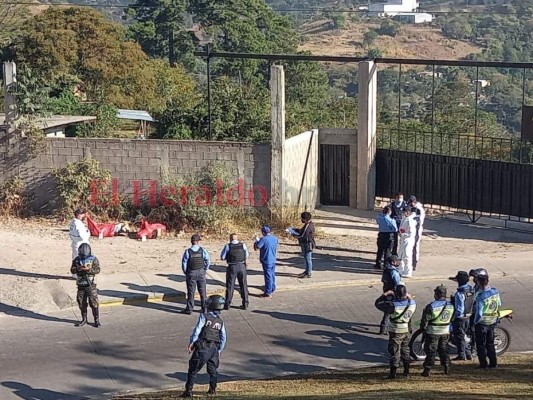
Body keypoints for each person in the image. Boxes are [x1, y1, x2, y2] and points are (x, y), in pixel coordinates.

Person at [179, 294, 227, 398]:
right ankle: (212, 389)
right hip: (214, 349)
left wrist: (192, 342)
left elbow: (197, 330)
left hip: (203, 347)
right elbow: (223, 337)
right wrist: (219, 350)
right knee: (213, 370)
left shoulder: (204, 316)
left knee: (193, 369)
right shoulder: (220, 322)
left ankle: (188, 391)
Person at [375, 284, 417, 379]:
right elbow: (410, 300)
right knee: (405, 350)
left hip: (396, 330)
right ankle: (406, 372)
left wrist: (384, 295)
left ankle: (393, 373)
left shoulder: (393, 305)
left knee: (395, 351)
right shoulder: (412, 303)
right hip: (407, 329)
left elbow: (378, 304)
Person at [420, 285, 455, 377]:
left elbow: (425, 321)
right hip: (445, 331)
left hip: (433, 332)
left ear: (436, 294)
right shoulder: (451, 306)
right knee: (443, 350)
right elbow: (452, 318)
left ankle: (427, 369)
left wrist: (423, 329)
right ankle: (447, 366)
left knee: (431, 351)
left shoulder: (431, 306)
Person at [473, 269, 501, 369]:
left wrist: (475, 322)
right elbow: (499, 304)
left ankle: (483, 364)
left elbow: (479, 313)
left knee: (481, 345)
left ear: (479, 282)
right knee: (490, 343)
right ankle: (493, 363)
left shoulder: (481, 297)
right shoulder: (495, 292)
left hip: (482, 323)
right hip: (492, 321)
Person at [70, 243, 101, 327]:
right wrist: (78, 268)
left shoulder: (93, 259)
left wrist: (89, 270)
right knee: (81, 303)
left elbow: (97, 270)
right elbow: (72, 270)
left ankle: (96, 320)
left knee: (94, 302)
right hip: (81, 285)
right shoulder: (76, 260)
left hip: (91, 285)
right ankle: (84, 319)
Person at [181, 234, 211, 314]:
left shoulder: (188, 251)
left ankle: (189, 309)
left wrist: (186, 272)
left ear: (191, 242)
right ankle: (204, 308)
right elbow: (208, 260)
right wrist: (205, 269)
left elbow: (184, 263)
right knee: (203, 291)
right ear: (198, 242)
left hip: (191, 272)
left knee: (191, 292)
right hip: (201, 272)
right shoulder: (203, 250)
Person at [449, 271, 475, 361]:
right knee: (463, 337)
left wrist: (454, 317)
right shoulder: (470, 290)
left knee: (459, 337)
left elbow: (459, 309)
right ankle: (468, 354)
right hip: (468, 316)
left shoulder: (460, 293)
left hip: (460, 318)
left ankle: (461, 355)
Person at [220, 233, 249, 310]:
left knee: (230, 286)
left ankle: (228, 304)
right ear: (237, 238)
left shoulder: (228, 246)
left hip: (232, 267)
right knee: (243, 285)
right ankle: (245, 303)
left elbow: (222, 257)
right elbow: (247, 255)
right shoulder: (243, 245)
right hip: (242, 266)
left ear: (230, 238)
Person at [287, 211, 316, 278]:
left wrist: (292, 234)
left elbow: (302, 235)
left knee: (308, 259)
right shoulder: (308, 224)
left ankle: (308, 273)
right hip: (306, 243)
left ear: (305, 219)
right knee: (306, 258)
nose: (301, 220)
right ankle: (307, 271)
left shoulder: (308, 226)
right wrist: (294, 229)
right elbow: (301, 231)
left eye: (302, 219)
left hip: (308, 244)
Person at [253, 226, 279, 298]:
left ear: (263, 232)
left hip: (266, 259)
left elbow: (256, 248)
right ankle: (272, 287)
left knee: (268, 276)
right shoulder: (275, 238)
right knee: (272, 274)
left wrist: (256, 241)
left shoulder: (263, 239)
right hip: (273, 259)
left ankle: (268, 292)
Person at [379, 255, 402, 335]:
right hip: (392, 293)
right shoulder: (393, 272)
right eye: (397, 261)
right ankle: (383, 328)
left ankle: (384, 327)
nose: (398, 262)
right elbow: (398, 284)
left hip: (386, 290)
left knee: (388, 310)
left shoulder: (386, 270)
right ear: (393, 262)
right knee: (389, 311)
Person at [69, 208, 90, 278]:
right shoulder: (78, 224)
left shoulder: (72, 222)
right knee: (81, 260)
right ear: (78, 215)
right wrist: (87, 233)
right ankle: (78, 275)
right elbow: (83, 235)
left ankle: (75, 274)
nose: (83, 216)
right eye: (82, 214)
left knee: (75, 259)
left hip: (75, 243)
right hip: (80, 244)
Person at [397, 207, 417, 278]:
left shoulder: (410, 220)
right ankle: (400, 269)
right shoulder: (404, 218)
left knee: (406, 255)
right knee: (400, 254)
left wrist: (403, 234)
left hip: (408, 239)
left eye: (404, 212)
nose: (403, 213)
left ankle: (408, 271)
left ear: (408, 212)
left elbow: (411, 233)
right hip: (403, 239)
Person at [407, 195, 425, 271]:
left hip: (417, 229)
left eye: (412, 203)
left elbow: (419, 221)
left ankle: (414, 261)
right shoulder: (411, 207)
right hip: (411, 228)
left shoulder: (419, 209)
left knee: (415, 245)